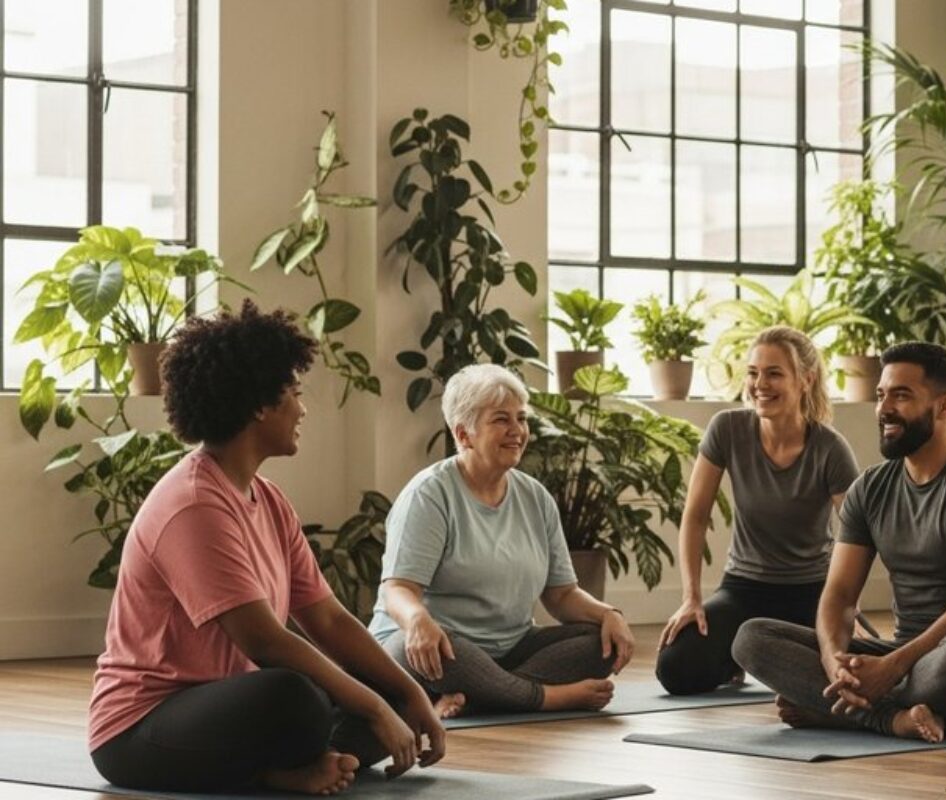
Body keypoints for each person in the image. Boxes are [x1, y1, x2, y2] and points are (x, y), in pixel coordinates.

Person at [89, 302, 445, 796]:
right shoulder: (193, 504)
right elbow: (266, 642)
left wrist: (407, 695)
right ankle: (274, 772)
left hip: (227, 712)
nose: (302, 409)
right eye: (295, 394)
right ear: (260, 404)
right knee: (296, 697)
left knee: (376, 687)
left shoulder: (268, 499)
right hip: (140, 730)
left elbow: (329, 620)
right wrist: (374, 708)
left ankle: (304, 762)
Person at [733, 342, 946, 743]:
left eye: (902, 395)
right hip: (905, 660)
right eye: (881, 395)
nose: (884, 408)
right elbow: (839, 594)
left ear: (945, 406)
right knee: (752, 637)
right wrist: (833, 665)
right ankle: (893, 719)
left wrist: (891, 669)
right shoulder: (870, 489)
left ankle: (843, 714)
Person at [368, 364, 635, 718]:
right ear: (464, 435)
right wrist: (418, 620)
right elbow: (398, 589)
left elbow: (562, 595)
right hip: (436, 647)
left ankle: (479, 695)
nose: (517, 431)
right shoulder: (430, 494)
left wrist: (608, 615)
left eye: (521, 419)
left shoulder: (535, 497)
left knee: (596, 641)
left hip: (510, 648)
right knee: (432, 652)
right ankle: (546, 697)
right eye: (501, 420)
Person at [656, 327, 859, 695]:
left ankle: (751, 654)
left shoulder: (830, 448)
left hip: (810, 591)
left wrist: (844, 604)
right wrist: (692, 598)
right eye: (753, 373)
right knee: (675, 670)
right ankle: (736, 658)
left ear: (805, 380)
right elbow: (696, 515)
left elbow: (857, 533)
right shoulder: (727, 429)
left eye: (774, 373)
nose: (759, 384)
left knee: (836, 676)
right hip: (743, 589)